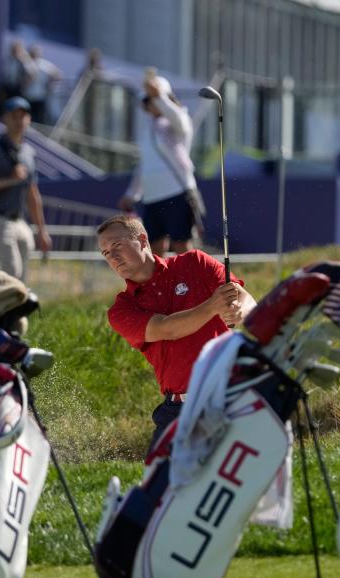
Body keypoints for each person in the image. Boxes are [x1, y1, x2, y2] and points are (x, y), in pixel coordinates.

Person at [96, 214, 255, 450]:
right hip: (180, 410)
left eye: (117, 245)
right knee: (159, 483)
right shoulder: (121, 310)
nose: (113, 257)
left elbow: (245, 298)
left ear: (141, 240)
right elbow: (167, 329)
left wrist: (240, 311)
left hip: (230, 395)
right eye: (106, 253)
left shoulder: (195, 262)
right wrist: (212, 307)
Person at [118, 73, 204, 258]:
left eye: (155, 99)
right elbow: (144, 166)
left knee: (182, 245)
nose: (153, 103)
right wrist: (131, 194)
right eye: (149, 100)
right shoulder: (147, 130)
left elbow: (181, 122)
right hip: (152, 198)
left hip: (177, 193)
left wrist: (160, 95)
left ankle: (194, 284)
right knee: (154, 250)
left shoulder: (178, 121)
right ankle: (161, 287)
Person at [0, 96, 51, 282]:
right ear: (4, 118)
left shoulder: (29, 152)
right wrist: (10, 180)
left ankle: (14, 310)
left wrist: (42, 230)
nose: (19, 121)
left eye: (23, 116)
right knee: (12, 272)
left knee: (21, 277)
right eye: (13, 116)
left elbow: (32, 192)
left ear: (29, 119)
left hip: (19, 220)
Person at [23, 44, 62, 124]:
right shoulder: (26, 64)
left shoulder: (44, 64)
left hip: (41, 97)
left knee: (40, 119)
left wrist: (50, 83)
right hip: (29, 96)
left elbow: (58, 74)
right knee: (29, 119)